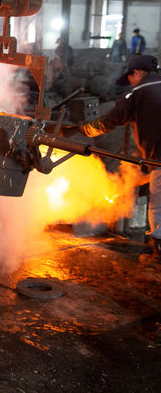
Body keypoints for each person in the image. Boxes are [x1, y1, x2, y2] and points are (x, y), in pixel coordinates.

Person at [62, 54, 161, 264]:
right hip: (155, 158)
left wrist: (83, 129)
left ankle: (158, 253)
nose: (131, 84)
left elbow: (110, 121)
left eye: (130, 79)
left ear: (137, 73)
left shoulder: (139, 93)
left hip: (160, 159)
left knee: (158, 205)